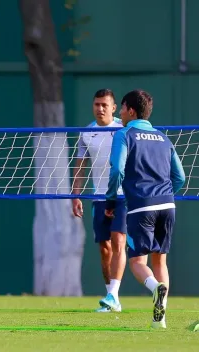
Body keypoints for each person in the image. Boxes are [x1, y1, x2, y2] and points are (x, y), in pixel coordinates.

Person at [105, 89, 185, 329]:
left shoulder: (124, 134)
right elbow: (179, 177)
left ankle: (155, 288)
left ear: (131, 110)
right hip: (167, 203)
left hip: (141, 205)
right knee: (160, 261)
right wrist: (166, 194)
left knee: (137, 262)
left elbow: (117, 170)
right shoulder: (163, 138)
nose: (119, 113)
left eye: (121, 108)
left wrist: (111, 199)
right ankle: (160, 320)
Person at [72, 89, 126, 312]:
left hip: (123, 196)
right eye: (97, 104)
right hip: (99, 197)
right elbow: (79, 166)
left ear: (114, 108)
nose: (100, 108)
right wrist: (75, 195)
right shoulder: (87, 132)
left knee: (118, 241)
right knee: (104, 248)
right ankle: (110, 297)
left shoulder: (124, 130)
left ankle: (114, 294)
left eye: (105, 105)